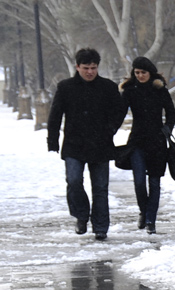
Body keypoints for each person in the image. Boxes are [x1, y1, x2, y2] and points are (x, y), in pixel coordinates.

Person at [47, 48, 124, 241]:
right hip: (74, 144)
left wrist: (110, 129)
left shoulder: (108, 87)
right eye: (86, 68)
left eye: (93, 68)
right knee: (74, 181)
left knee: (100, 187)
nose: (90, 72)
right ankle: (81, 215)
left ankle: (100, 226)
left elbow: (119, 111)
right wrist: (53, 139)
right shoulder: (66, 87)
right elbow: (55, 114)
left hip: (101, 144)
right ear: (77, 67)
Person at [120, 56, 175, 235]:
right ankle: (143, 212)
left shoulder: (159, 90)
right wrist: (109, 129)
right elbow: (120, 113)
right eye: (137, 73)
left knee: (154, 182)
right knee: (138, 182)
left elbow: (171, 112)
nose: (140, 76)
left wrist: (167, 128)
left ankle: (151, 220)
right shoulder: (130, 91)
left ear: (150, 73)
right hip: (137, 141)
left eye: (143, 72)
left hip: (157, 142)